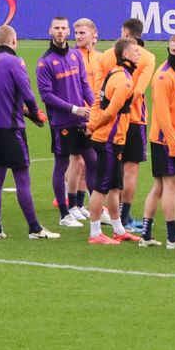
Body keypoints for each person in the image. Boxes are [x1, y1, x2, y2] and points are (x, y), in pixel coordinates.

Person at [0, 24, 58, 241]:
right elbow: (28, 95)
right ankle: (34, 228)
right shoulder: (16, 62)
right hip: (11, 129)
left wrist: (22, 111)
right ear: (14, 42)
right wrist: (34, 114)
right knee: (22, 178)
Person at [36, 17, 95, 230]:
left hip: (81, 120)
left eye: (63, 28)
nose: (60, 32)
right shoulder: (45, 62)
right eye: (56, 28)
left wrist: (94, 104)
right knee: (61, 165)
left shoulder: (75, 55)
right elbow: (46, 95)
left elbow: (83, 83)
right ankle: (64, 213)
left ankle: (93, 207)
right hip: (61, 123)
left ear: (68, 31)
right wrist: (73, 108)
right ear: (50, 31)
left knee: (92, 160)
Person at [98, 18, 155, 233]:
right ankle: (124, 218)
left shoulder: (106, 55)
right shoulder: (148, 58)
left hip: (108, 119)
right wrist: (123, 105)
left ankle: (111, 218)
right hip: (134, 118)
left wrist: (106, 110)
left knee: (112, 167)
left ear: (125, 33)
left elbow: (99, 88)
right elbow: (138, 90)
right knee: (130, 169)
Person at [139, 34, 175, 249]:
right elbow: (162, 114)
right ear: (168, 49)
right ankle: (172, 238)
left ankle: (146, 234)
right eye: (174, 51)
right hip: (164, 140)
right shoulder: (163, 77)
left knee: (160, 186)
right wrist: (174, 144)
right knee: (172, 185)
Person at [85, 37, 142, 245]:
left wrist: (93, 123)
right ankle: (95, 233)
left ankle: (118, 229)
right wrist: (93, 125)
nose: (139, 54)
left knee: (115, 185)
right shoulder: (124, 80)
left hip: (114, 139)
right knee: (101, 187)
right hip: (108, 139)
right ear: (125, 54)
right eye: (136, 51)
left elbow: (98, 102)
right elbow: (110, 112)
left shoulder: (117, 73)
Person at [69, 18, 101, 219]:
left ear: (93, 35)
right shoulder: (71, 56)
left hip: (96, 115)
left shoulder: (101, 57)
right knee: (77, 160)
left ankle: (80, 205)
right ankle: (72, 205)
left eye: (82, 33)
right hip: (77, 114)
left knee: (89, 162)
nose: (78, 36)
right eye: (77, 33)